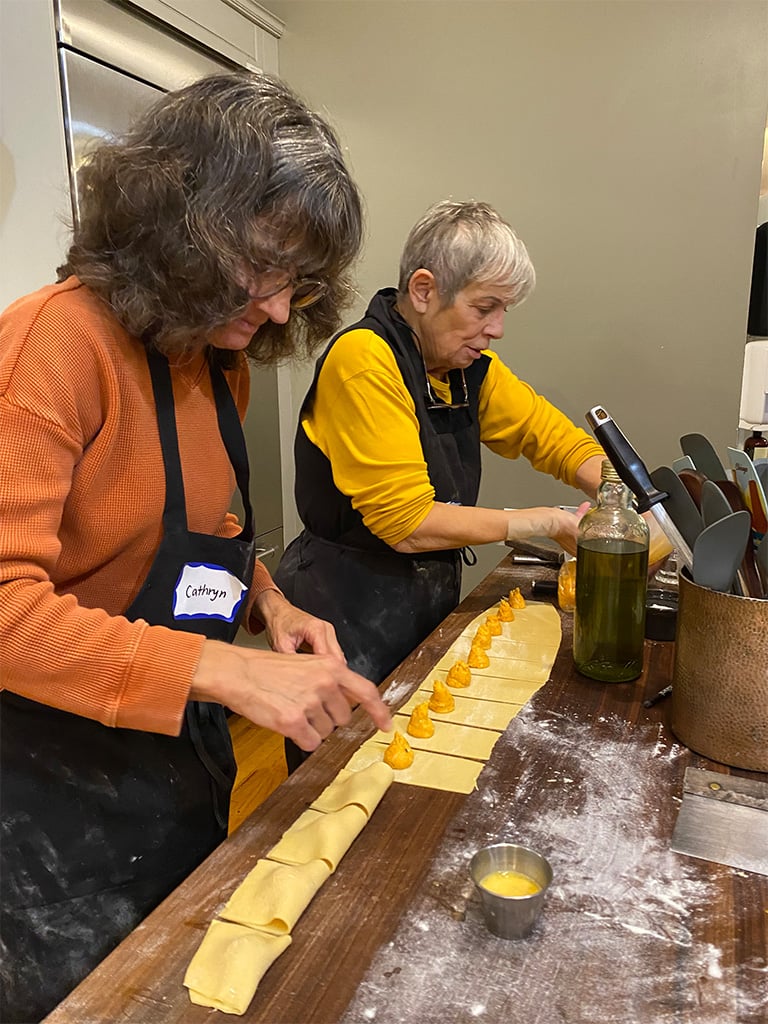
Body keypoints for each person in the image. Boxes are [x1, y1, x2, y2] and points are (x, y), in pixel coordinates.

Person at [0, 71, 392, 1022]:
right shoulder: (51, 348)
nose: (274, 310)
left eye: (298, 284)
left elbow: (202, 535)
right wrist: (221, 670)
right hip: (49, 801)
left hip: (173, 767)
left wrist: (271, 605)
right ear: (181, 227)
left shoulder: (212, 361)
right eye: (265, 270)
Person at [275, 200, 605, 721]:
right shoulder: (364, 360)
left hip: (420, 595)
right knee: (342, 772)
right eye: (484, 308)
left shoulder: (465, 368)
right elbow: (405, 523)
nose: (496, 329)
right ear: (425, 291)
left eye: (504, 312)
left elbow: (553, 439)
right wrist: (542, 521)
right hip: (345, 605)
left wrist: (623, 498)